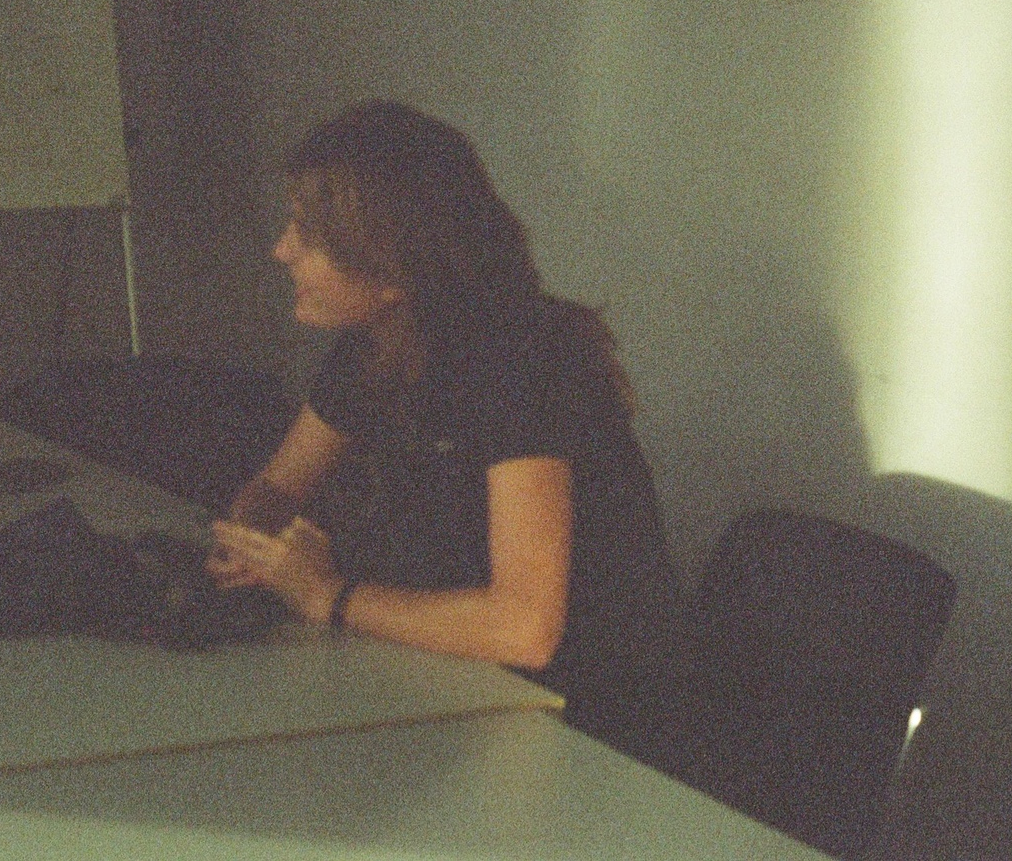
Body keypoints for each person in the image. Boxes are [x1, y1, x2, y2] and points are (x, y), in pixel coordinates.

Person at [209, 99, 682, 757]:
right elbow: (278, 488)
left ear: (393, 271)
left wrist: (327, 595)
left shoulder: (524, 364)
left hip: (596, 733)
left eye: (308, 235)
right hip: (466, 695)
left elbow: (524, 629)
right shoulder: (376, 345)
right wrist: (253, 540)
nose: (281, 249)